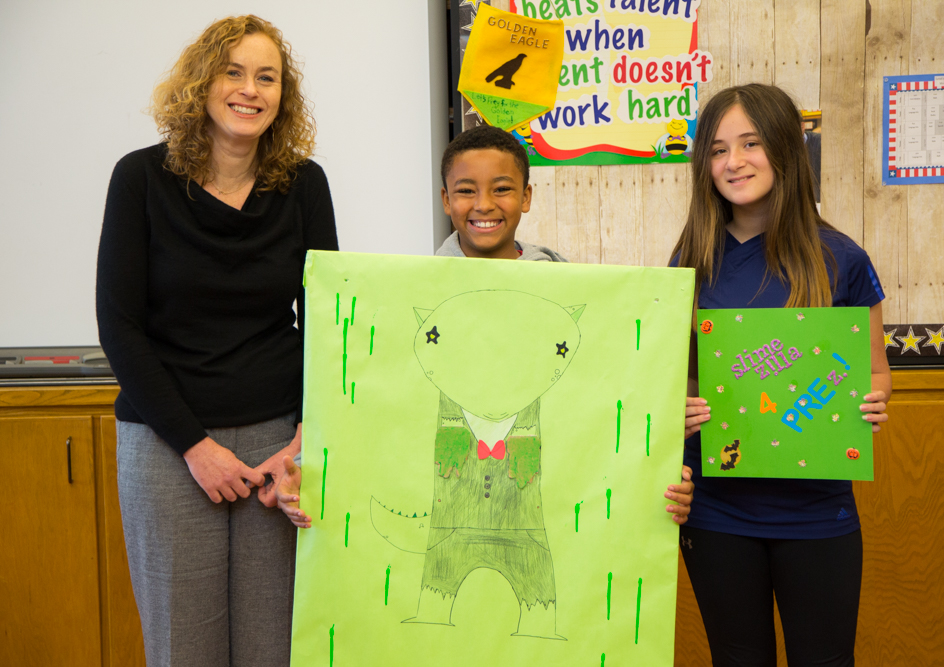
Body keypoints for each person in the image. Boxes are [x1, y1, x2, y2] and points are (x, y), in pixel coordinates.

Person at [275, 125, 694, 531]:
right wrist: (303, 469)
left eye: (502, 188)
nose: (484, 204)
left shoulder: (569, 289)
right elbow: (366, 392)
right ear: (445, 199)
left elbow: (605, 383)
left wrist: (660, 445)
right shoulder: (410, 297)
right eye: (465, 190)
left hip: (544, 486)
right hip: (447, 484)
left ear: (527, 196)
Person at [95, 15, 337, 667]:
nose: (250, 89)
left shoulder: (304, 185)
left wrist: (307, 435)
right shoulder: (140, 179)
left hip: (276, 447)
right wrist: (196, 447)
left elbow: (327, 317)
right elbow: (119, 325)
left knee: (273, 646)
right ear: (202, 81)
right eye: (233, 71)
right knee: (185, 650)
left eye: (268, 77)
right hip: (168, 445)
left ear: (283, 96)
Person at [673, 83, 891, 667]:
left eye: (750, 143)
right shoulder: (691, 256)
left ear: (787, 150)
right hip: (716, 508)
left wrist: (872, 401)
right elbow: (679, 380)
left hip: (819, 509)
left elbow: (873, 369)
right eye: (717, 150)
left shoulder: (841, 258)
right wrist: (682, 407)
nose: (733, 161)